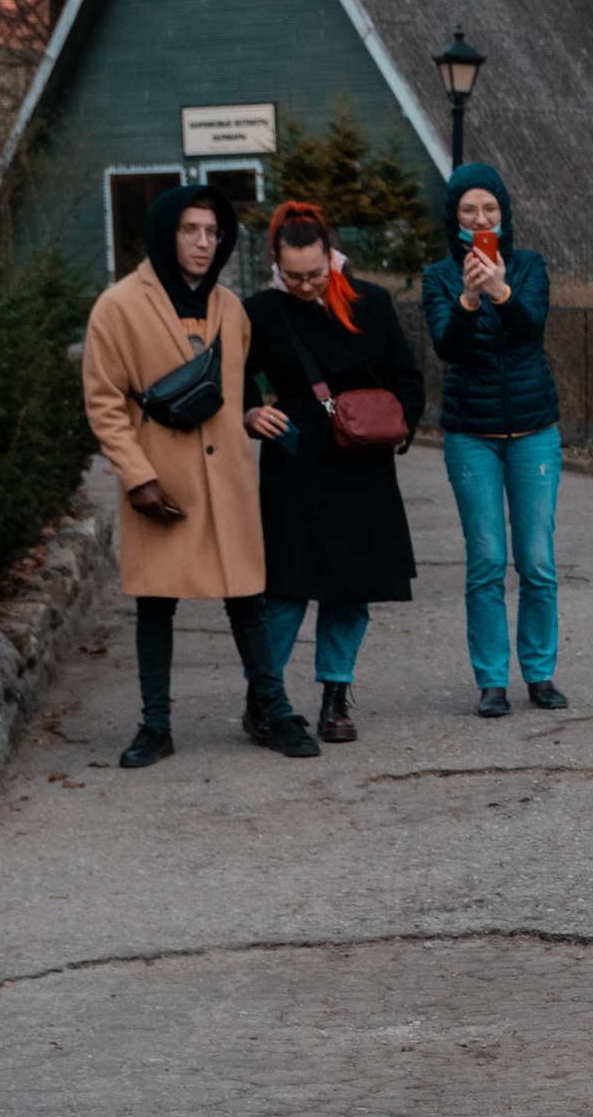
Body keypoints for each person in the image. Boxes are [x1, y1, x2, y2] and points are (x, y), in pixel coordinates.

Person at [81, 182, 315, 766]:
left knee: (247, 599)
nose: (203, 243)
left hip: (228, 478)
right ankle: (154, 726)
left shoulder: (230, 309)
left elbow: (235, 390)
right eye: (190, 230)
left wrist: (252, 415)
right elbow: (104, 401)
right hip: (163, 477)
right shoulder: (118, 306)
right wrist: (136, 476)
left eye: (213, 232)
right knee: (156, 603)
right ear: (166, 232)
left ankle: (274, 711)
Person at [241, 202, 424, 743]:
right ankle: (265, 698)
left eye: (315, 274)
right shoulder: (261, 311)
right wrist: (250, 412)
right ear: (276, 261)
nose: (304, 284)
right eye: (293, 275)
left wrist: (399, 424)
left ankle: (334, 698)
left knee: (351, 587)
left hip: (362, 459)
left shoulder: (373, 302)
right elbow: (234, 376)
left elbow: (408, 378)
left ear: (331, 255)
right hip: (294, 459)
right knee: (285, 589)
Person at [422, 161, 565, 718]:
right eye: (469, 210)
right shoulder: (439, 277)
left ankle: (540, 673)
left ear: (503, 215)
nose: (481, 218)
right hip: (470, 436)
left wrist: (501, 290)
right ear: (454, 218)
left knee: (536, 560)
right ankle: (491, 681)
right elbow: (448, 349)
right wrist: (469, 299)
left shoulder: (529, 267)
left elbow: (530, 330)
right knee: (485, 559)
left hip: (534, 432)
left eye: (490, 209)